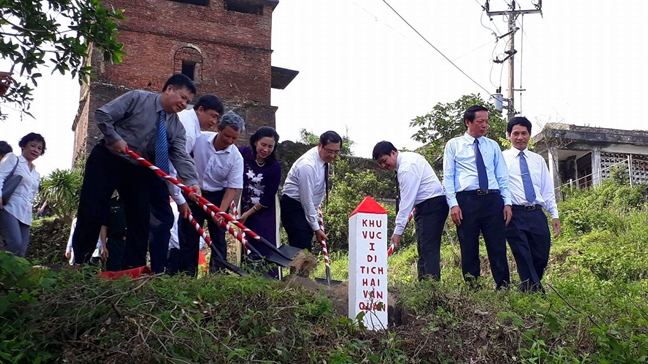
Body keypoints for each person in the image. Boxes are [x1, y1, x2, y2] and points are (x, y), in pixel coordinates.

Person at [71, 74, 201, 272]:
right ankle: (80, 263)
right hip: (108, 158)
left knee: (140, 218)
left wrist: (191, 181)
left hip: (139, 169)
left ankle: (133, 269)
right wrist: (114, 138)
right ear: (169, 89)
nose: (184, 104)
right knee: (93, 209)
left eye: (188, 102)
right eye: (182, 97)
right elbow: (103, 114)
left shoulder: (177, 128)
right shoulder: (137, 98)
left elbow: (180, 155)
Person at [442, 105, 511, 289]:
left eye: (487, 122)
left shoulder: (493, 145)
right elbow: (448, 177)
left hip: (492, 199)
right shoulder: (453, 145)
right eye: (480, 122)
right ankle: (473, 287)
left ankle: (503, 286)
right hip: (467, 200)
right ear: (468, 122)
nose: (485, 126)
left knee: (497, 245)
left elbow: (502, 176)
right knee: (469, 246)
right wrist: (453, 204)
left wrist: (507, 203)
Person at [177, 112, 245, 276]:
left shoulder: (236, 158)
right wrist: (186, 186)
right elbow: (182, 158)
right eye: (226, 135)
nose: (229, 141)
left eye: (234, 138)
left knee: (219, 237)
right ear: (219, 128)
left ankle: (216, 275)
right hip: (194, 192)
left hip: (218, 197)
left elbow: (232, 188)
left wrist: (220, 212)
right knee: (189, 235)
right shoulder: (200, 140)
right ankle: (187, 274)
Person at [373, 141, 449, 281]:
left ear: (394, 153)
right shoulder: (408, 160)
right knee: (423, 248)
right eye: (380, 164)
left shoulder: (407, 168)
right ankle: (423, 285)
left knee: (428, 249)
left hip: (431, 206)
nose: (384, 166)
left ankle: (431, 288)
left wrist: (398, 232)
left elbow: (406, 202)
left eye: (384, 161)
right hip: (426, 206)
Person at [503, 116, 560, 292]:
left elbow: (547, 189)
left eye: (524, 133)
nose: (520, 137)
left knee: (541, 255)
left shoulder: (538, 160)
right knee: (522, 254)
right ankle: (537, 292)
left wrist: (554, 214)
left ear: (529, 135)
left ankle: (526, 288)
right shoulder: (501, 159)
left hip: (536, 212)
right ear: (508, 136)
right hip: (514, 213)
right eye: (516, 133)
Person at [281, 131, 342, 251]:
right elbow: (306, 199)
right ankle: (300, 270)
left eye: (336, 152)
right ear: (320, 145)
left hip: (306, 206)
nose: (332, 155)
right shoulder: (307, 166)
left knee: (304, 245)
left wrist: (316, 220)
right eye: (329, 151)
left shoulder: (324, 161)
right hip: (294, 205)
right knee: (301, 247)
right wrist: (316, 228)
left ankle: (301, 270)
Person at [170, 94, 224, 220]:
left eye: (217, 118)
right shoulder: (188, 132)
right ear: (200, 110)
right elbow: (173, 166)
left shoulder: (187, 120)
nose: (214, 122)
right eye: (213, 116)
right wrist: (180, 199)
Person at [237, 126, 282, 276]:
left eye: (270, 146)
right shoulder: (242, 154)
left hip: (264, 209)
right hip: (242, 204)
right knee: (245, 242)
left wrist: (249, 213)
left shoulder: (275, 167)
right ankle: (247, 276)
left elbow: (269, 195)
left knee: (264, 242)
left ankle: (269, 278)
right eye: (263, 145)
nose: (266, 149)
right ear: (255, 142)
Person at [0, 133, 46, 257]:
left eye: (39, 148)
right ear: (23, 146)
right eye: (33, 145)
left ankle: (14, 276)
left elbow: (31, 194)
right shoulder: (13, 159)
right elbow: (1, 175)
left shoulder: (36, 174)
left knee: (21, 250)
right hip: (9, 206)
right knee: (13, 243)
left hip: (25, 213)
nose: (36, 150)